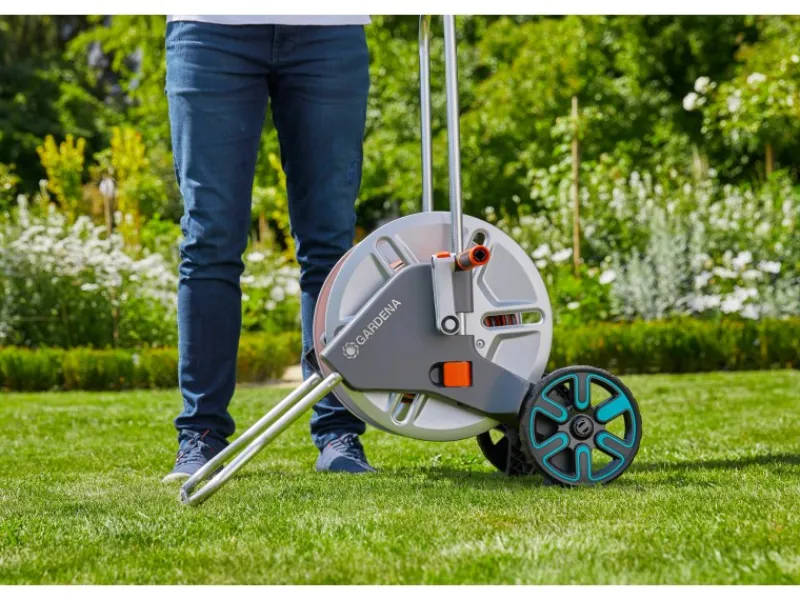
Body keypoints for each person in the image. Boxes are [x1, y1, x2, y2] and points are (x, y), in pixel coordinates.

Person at [161, 15, 376, 483]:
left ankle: (338, 432)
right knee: (209, 239)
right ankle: (200, 435)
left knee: (330, 246)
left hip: (328, 28)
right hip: (209, 27)